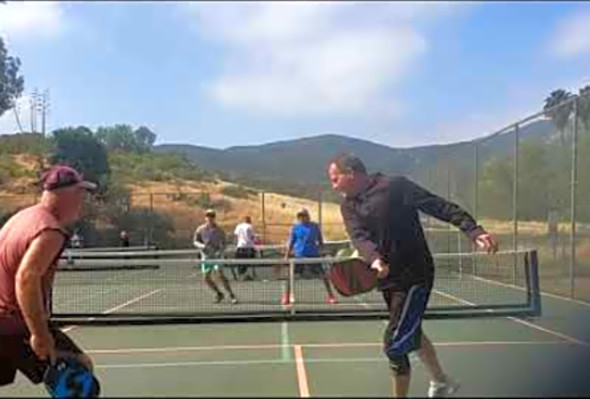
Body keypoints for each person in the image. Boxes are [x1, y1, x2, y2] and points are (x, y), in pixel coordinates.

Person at [327, 154, 498, 398]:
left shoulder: (394, 186)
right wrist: (374, 259)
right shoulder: (348, 205)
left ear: (351, 173)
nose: (333, 186)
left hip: (415, 274)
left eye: (335, 179)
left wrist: (472, 229)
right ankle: (441, 382)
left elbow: (438, 205)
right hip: (387, 278)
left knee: (395, 345)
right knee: (411, 330)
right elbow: (359, 237)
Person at [0, 165, 97, 391]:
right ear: (66, 194)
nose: (82, 200)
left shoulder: (21, 218)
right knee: (80, 370)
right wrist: (39, 334)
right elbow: (26, 278)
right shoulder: (50, 231)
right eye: (79, 193)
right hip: (13, 322)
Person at [283, 208, 337, 305]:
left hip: (313, 255)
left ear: (308, 216)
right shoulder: (295, 228)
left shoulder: (315, 226)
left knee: (323, 276)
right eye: (300, 216)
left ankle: (331, 296)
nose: (301, 218)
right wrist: (286, 255)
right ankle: (286, 296)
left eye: (303, 215)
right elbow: (291, 241)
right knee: (290, 276)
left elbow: (320, 241)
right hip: (299, 257)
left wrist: (323, 252)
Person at [193, 209, 238, 304]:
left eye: (212, 216)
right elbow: (195, 241)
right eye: (208, 216)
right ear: (205, 218)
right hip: (206, 257)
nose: (210, 218)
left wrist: (220, 251)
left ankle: (231, 295)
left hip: (217, 256)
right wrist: (202, 246)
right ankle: (219, 293)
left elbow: (225, 244)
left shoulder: (220, 230)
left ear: (214, 218)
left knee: (219, 273)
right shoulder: (200, 229)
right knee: (206, 278)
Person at [234, 216, 256, 281]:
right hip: (248, 247)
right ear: (249, 220)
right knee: (250, 262)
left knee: (240, 262)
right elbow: (252, 237)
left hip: (240, 246)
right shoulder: (250, 226)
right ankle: (248, 275)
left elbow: (236, 235)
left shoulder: (238, 226)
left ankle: (240, 275)